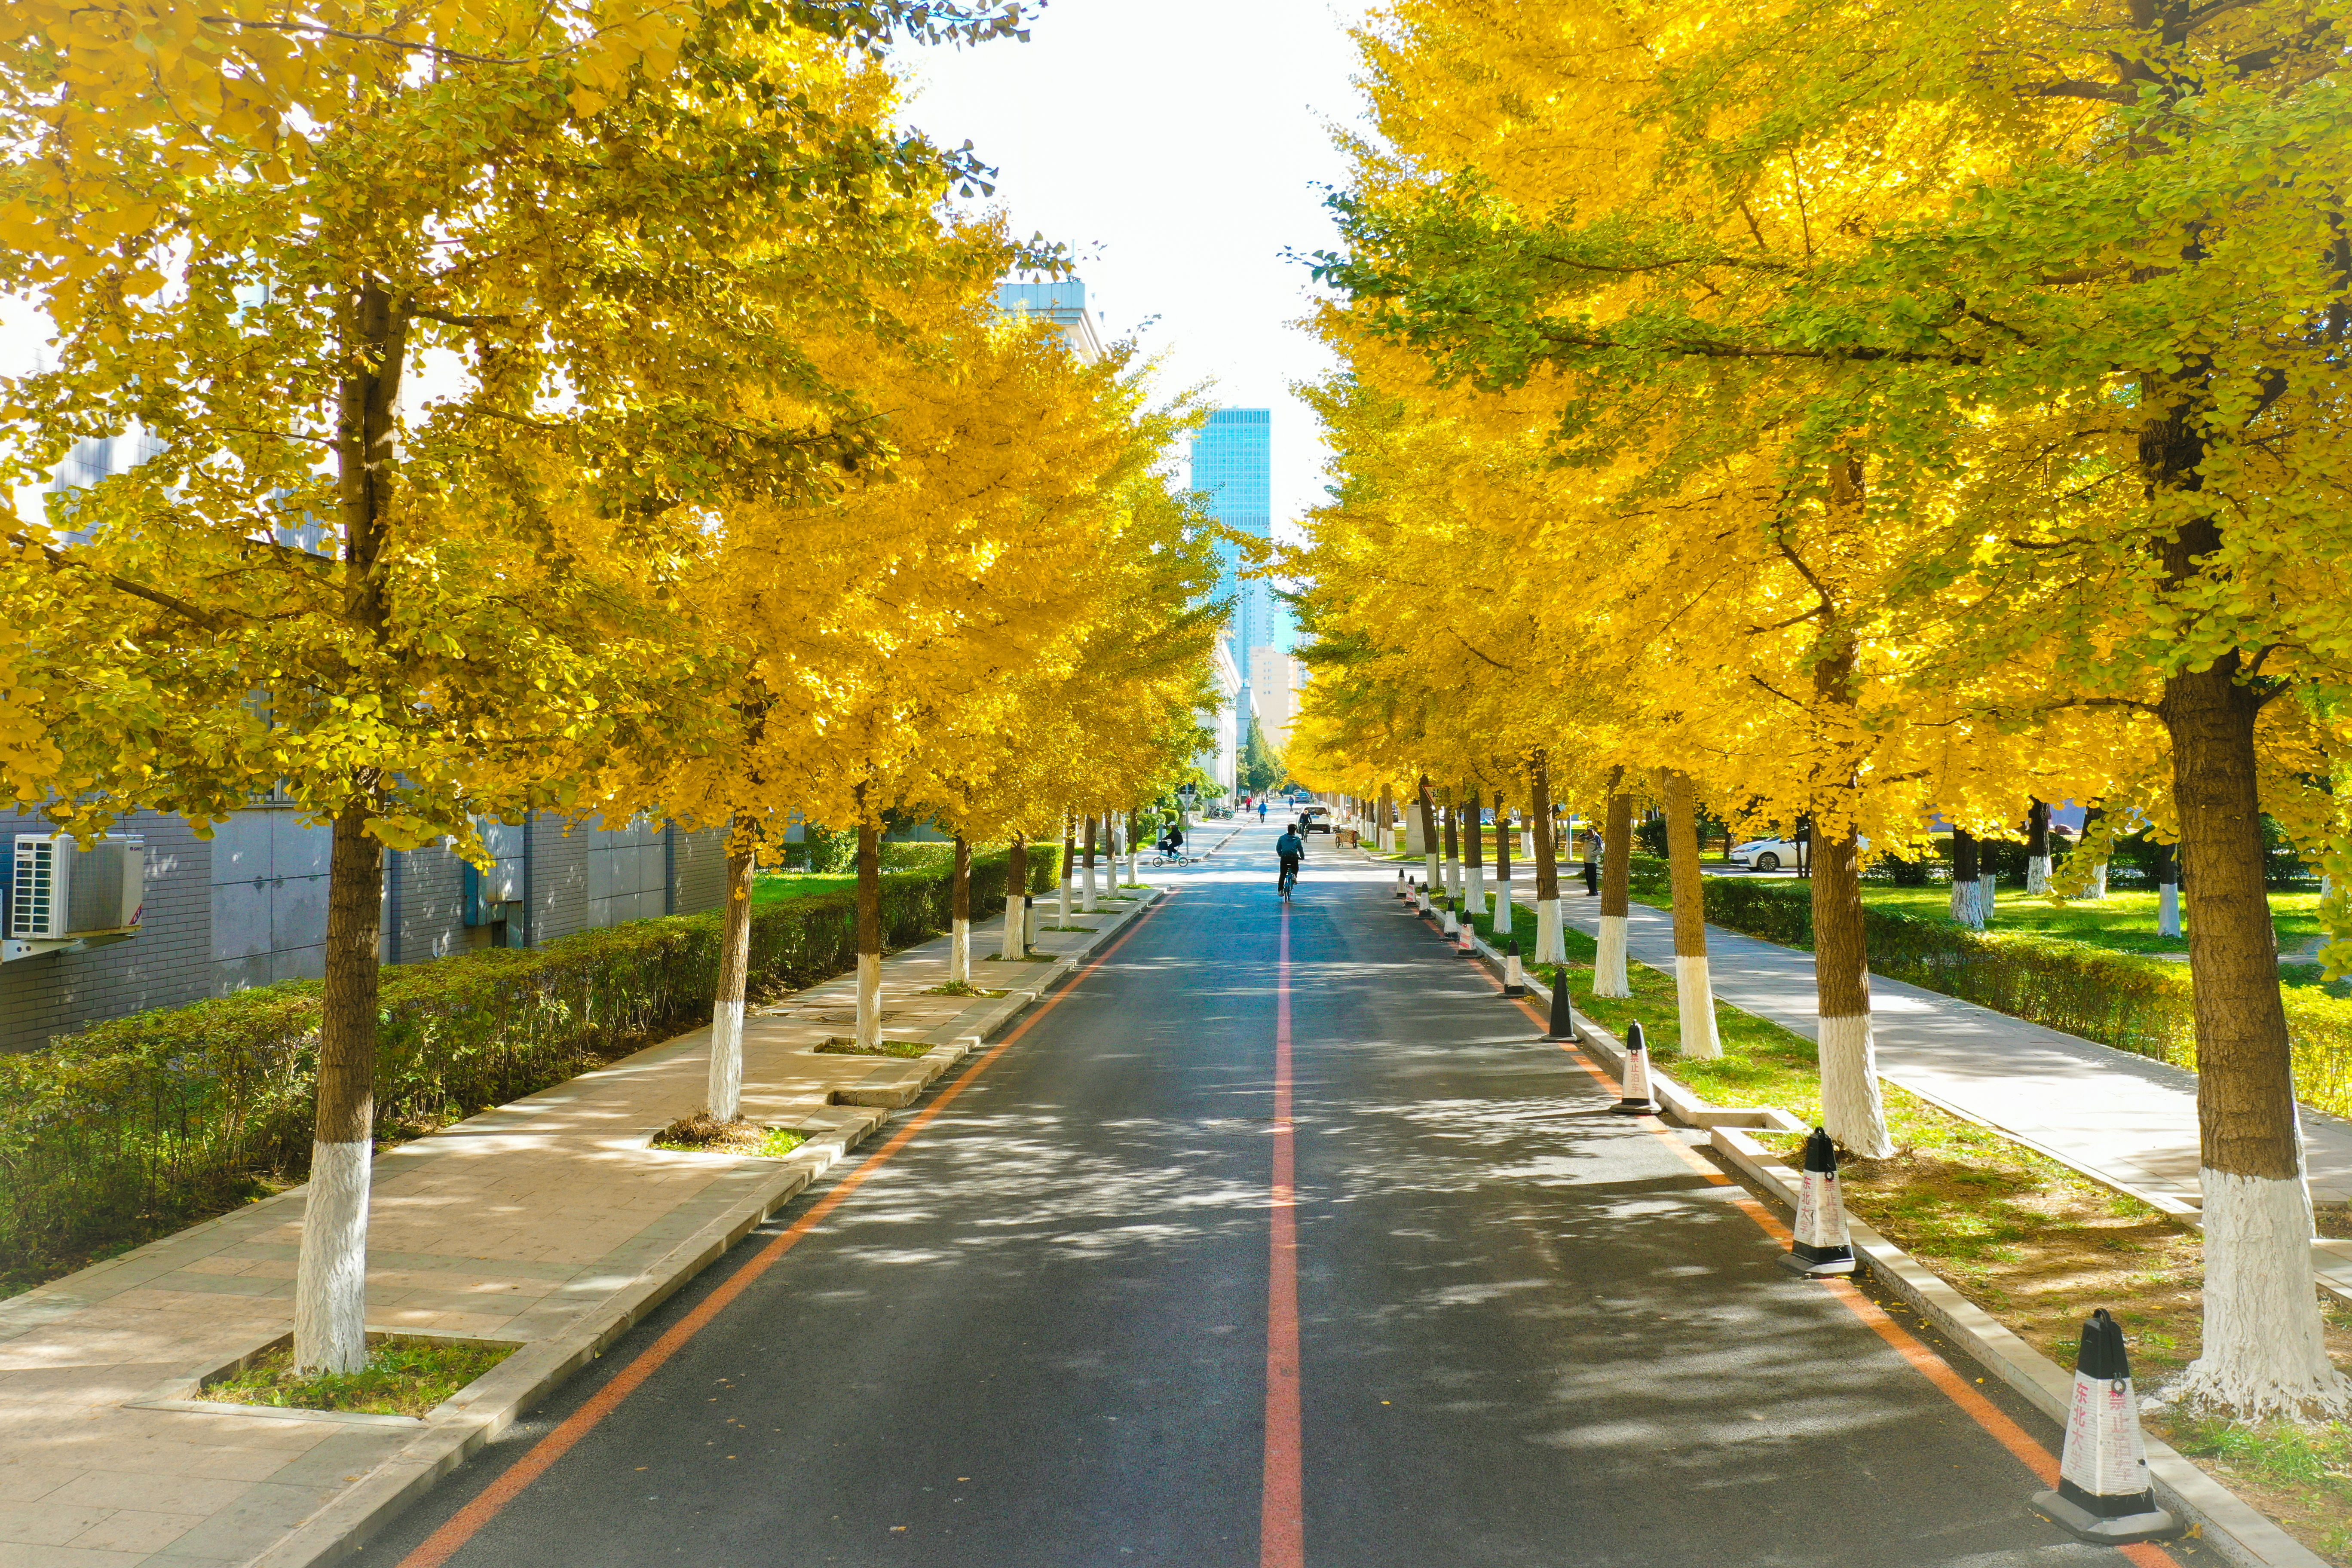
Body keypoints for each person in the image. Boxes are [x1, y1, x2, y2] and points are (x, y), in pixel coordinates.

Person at [1275, 824, 1305, 893]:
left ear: (1288, 830)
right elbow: (1300, 849)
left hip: (1284, 858)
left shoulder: (1282, 838)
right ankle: (1294, 875)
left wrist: (1281, 854)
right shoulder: (1297, 839)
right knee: (1296, 868)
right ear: (1295, 831)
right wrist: (1302, 857)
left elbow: (1278, 848)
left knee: (1283, 875)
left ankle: (1280, 890)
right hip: (1293, 858)